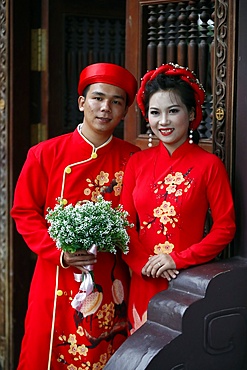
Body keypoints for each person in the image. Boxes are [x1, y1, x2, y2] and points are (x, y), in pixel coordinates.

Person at [11, 62, 140, 369]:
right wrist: (59, 252)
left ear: (124, 112)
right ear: (82, 102)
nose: (105, 108)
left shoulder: (134, 159)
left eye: (116, 102)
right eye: (97, 98)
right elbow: (25, 212)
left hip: (109, 278)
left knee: (103, 355)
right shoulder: (44, 154)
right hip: (54, 274)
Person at [120, 63, 236, 334]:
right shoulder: (137, 163)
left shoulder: (209, 165)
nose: (163, 121)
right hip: (143, 278)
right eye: (155, 113)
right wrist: (144, 266)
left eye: (173, 111)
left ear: (192, 113)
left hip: (187, 280)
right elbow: (123, 225)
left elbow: (225, 227)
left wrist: (178, 259)